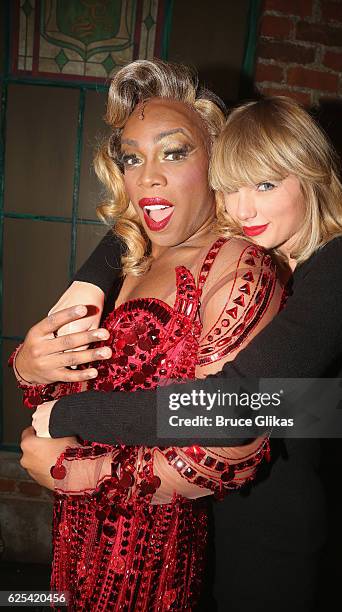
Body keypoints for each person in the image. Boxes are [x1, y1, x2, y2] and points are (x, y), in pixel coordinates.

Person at [18, 96, 342, 611]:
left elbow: (235, 407)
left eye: (266, 184)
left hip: (270, 521)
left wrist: (77, 418)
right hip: (199, 514)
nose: (243, 208)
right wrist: (90, 279)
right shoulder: (264, 248)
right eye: (229, 188)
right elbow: (139, 220)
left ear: (313, 176)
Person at [13, 61, 285, 611]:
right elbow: (63, 389)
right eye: (132, 158)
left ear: (216, 159)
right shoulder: (127, 256)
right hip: (73, 534)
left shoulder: (236, 269)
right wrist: (30, 365)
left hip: (148, 554)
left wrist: (72, 473)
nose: (148, 177)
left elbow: (230, 446)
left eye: (174, 151)